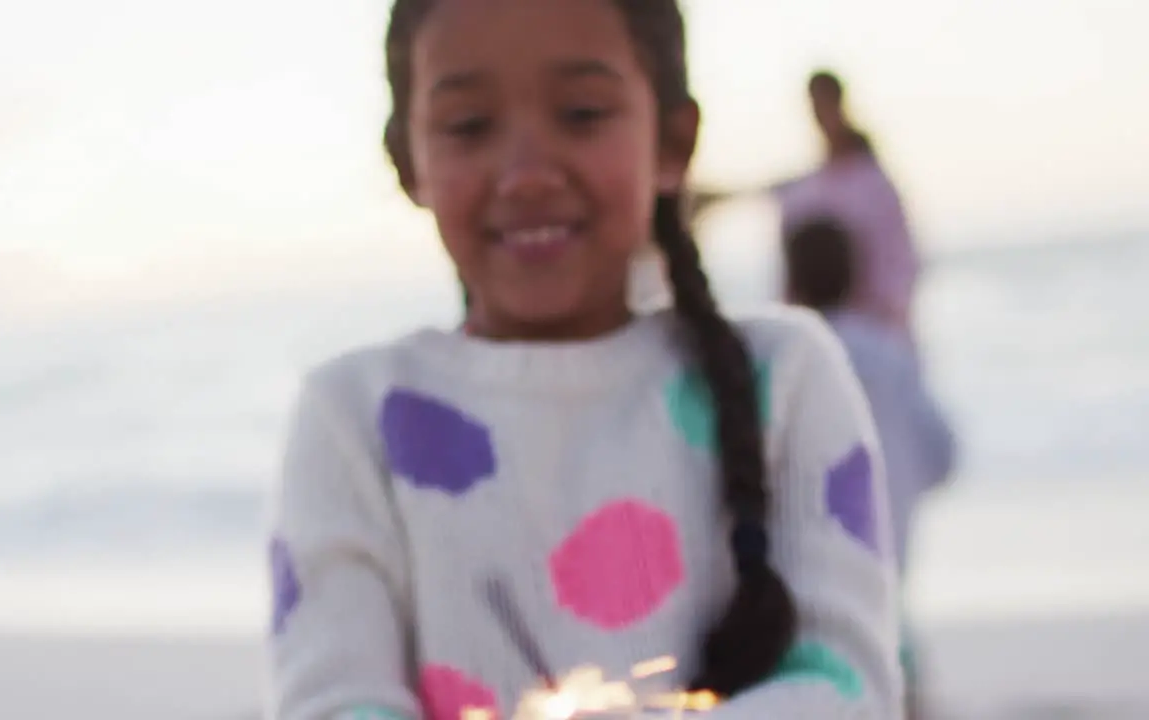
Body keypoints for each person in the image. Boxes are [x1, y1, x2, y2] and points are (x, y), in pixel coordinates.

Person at [266, 2, 902, 719]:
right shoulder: (352, 420)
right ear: (407, 160)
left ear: (672, 141)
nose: (528, 173)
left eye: (582, 113)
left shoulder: (786, 379)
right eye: (471, 125)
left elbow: (846, 689)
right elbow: (333, 701)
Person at [782, 218, 957, 719]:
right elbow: (943, 455)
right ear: (858, 278)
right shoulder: (888, 354)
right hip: (886, 584)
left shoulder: (787, 360)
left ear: (790, 281)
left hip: (801, 606)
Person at [771, 71, 921, 344]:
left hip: (874, 329)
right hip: (824, 334)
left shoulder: (872, 184)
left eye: (824, 103)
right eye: (815, 105)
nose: (820, 114)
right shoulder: (810, 189)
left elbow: (901, 266)